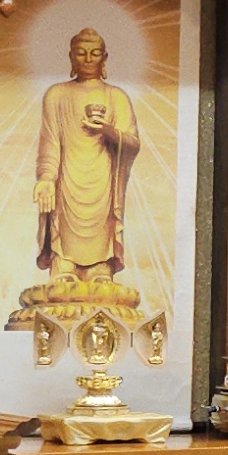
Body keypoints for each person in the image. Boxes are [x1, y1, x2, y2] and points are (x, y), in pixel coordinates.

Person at [27, 26, 140, 280]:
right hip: (68, 177)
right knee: (63, 219)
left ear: (104, 58)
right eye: (81, 53)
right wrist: (46, 178)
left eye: (95, 53)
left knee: (101, 223)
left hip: (103, 179)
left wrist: (108, 131)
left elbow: (132, 143)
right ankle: (64, 262)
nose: (88, 59)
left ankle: (101, 266)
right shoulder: (57, 95)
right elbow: (50, 142)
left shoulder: (116, 97)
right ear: (71, 57)